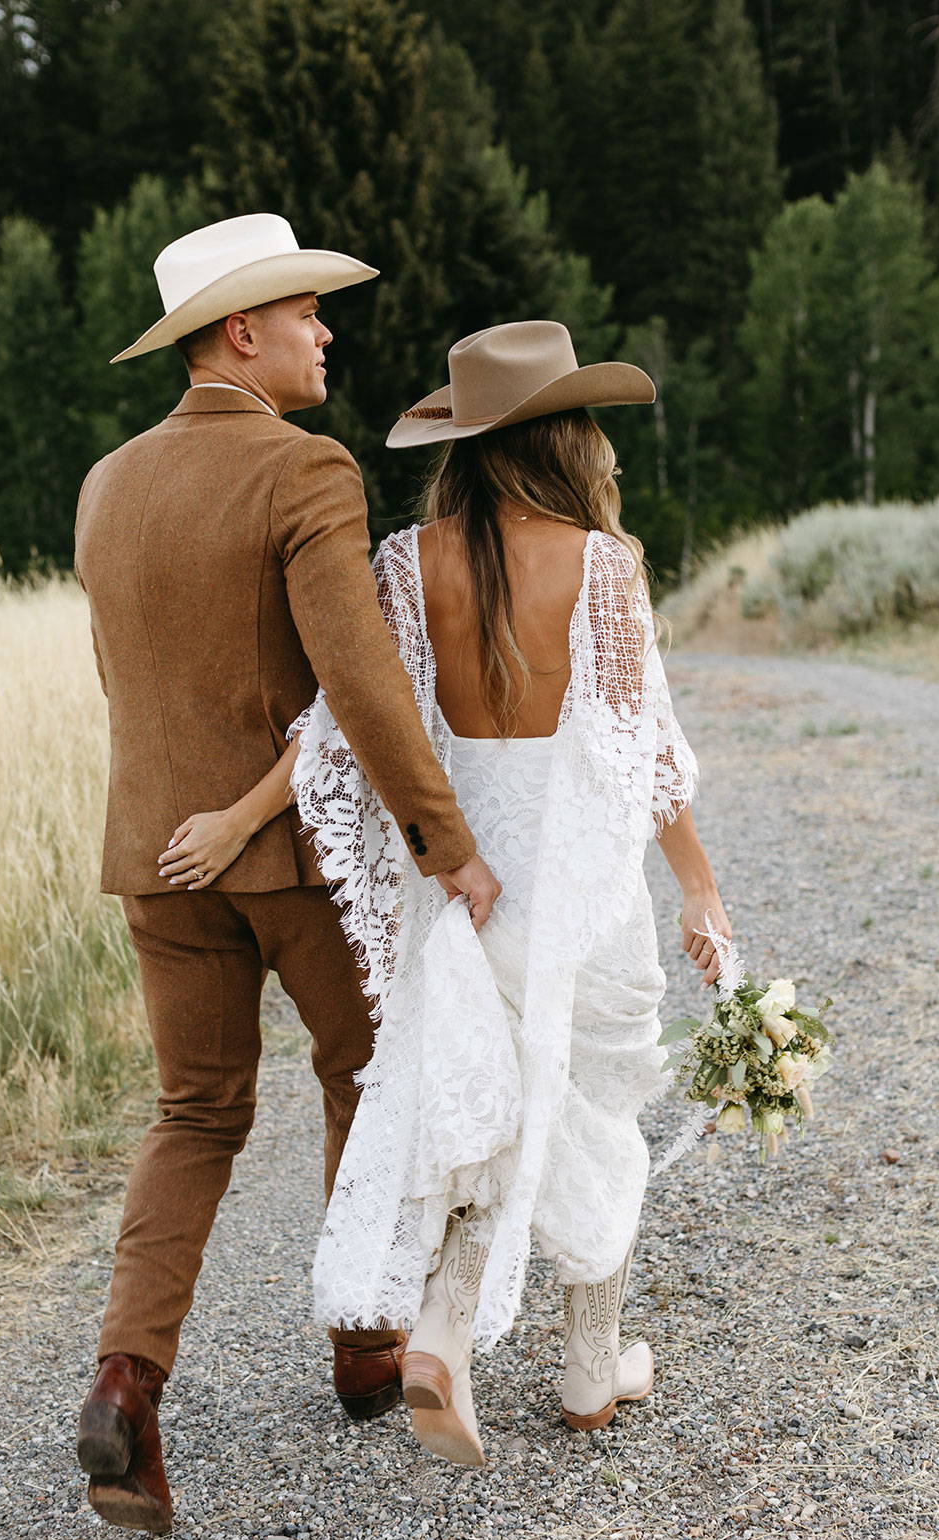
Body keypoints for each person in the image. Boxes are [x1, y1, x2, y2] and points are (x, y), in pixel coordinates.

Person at [177, 319, 732, 1469]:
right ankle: (587, 1367)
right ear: (561, 437)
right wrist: (700, 896)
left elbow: (346, 725)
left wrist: (238, 816)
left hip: (463, 877)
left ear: (470, 442)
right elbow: (645, 754)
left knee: (485, 1101)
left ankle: (443, 1328)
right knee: (586, 1102)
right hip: (577, 881)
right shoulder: (600, 565)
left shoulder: (401, 561)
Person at [73, 213, 500, 1534]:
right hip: (294, 865)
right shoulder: (303, 473)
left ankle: (122, 1388)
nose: (326, 330)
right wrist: (446, 840)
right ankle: (364, 1345)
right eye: (306, 310)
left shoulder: (106, 483)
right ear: (238, 330)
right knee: (366, 1079)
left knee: (195, 1116)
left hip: (153, 857)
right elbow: (363, 688)